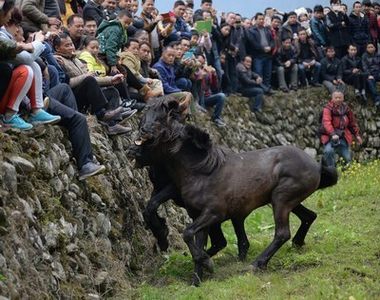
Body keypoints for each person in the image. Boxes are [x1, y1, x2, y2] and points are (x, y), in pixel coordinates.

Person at [46, 83, 106, 180]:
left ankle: (78, 134)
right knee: (79, 119)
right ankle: (84, 164)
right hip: (36, 101)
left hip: (42, 95)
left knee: (65, 88)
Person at [320, 90, 362, 167]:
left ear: (343, 98)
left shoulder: (346, 109)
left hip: (343, 136)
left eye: (340, 97)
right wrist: (333, 134)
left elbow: (352, 123)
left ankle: (347, 175)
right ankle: (331, 172)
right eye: (336, 98)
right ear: (332, 98)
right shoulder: (328, 109)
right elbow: (326, 122)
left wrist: (357, 135)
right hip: (330, 137)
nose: (338, 99)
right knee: (328, 152)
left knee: (347, 158)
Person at [97, 9, 132, 75]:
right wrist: (113, 65)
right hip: (101, 55)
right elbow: (110, 47)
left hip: (108, 56)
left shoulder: (122, 29)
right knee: (119, 72)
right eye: (125, 22)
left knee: (123, 70)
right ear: (118, 18)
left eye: (129, 23)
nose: (127, 25)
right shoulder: (115, 29)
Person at [245, 12, 274, 94]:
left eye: (263, 19)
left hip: (268, 55)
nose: (261, 21)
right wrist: (263, 48)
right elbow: (253, 43)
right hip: (258, 56)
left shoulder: (267, 29)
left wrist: (270, 47)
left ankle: (267, 88)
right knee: (259, 74)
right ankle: (262, 90)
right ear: (255, 20)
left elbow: (272, 41)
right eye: (260, 19)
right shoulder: (251, 30)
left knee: (267, 74)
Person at [362, 42, 380, 106]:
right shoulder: (364, 56)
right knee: (369, 81)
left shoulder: (378, 55)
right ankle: (377, 99)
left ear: (374, 48)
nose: (370, 48)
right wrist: (369, 75)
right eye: (368, 47)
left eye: (371, 47)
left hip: (378, 72)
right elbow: (364, 67)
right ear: (366, 49)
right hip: (371, 74)